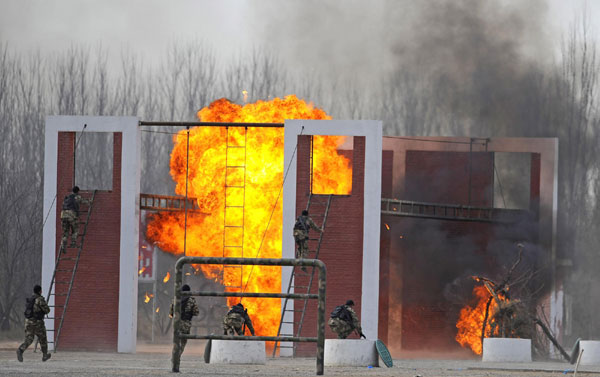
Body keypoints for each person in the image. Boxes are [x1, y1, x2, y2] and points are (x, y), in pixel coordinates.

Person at [16, 285, 51, 362]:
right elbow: (47, 310)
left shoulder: (31, 299)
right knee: (43, 338)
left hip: (28, 322)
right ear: (40, 291)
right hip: (37, 323)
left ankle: (20, 350)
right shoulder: (39, 299)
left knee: (29, 339)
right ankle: (45, 355)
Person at [170, 284, 199, 373]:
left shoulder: (175, 299)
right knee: (183, 342)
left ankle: (174, 358)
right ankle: (177, 358)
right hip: (186, 323)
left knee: (176, 342)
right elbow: (196, 312)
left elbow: (171, 312)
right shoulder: (192, 300)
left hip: (176, 323)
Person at [60, 186, 92, 251]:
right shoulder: (76, 197)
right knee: (75, 230)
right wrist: (90, 201)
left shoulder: (67, 197)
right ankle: (73, 243)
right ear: (77, 191)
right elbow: (84, 201)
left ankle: (63, 243)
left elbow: (63, 205)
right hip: (71, 215)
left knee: (65, 231)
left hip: (63, 215)